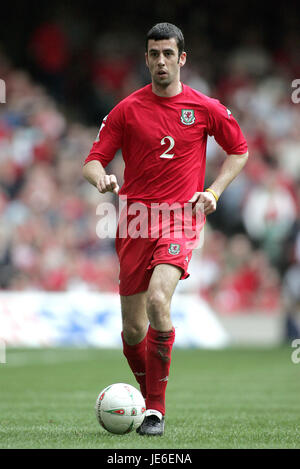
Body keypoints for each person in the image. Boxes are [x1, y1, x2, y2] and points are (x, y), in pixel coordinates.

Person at [83, 23, 248, 436]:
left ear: (182, 59)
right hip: (135, 222)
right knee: (134, 329)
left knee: (159, 300)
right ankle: (146, 396)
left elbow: (239, 151)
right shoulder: (126, 109)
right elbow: (92, 160)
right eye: (154, 54)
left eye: (168, 54)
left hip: (180, 218)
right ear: (146, 59)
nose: (161, 61)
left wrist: (213, 191)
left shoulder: (204, 107)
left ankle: (155, 409)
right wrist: (101, 178)